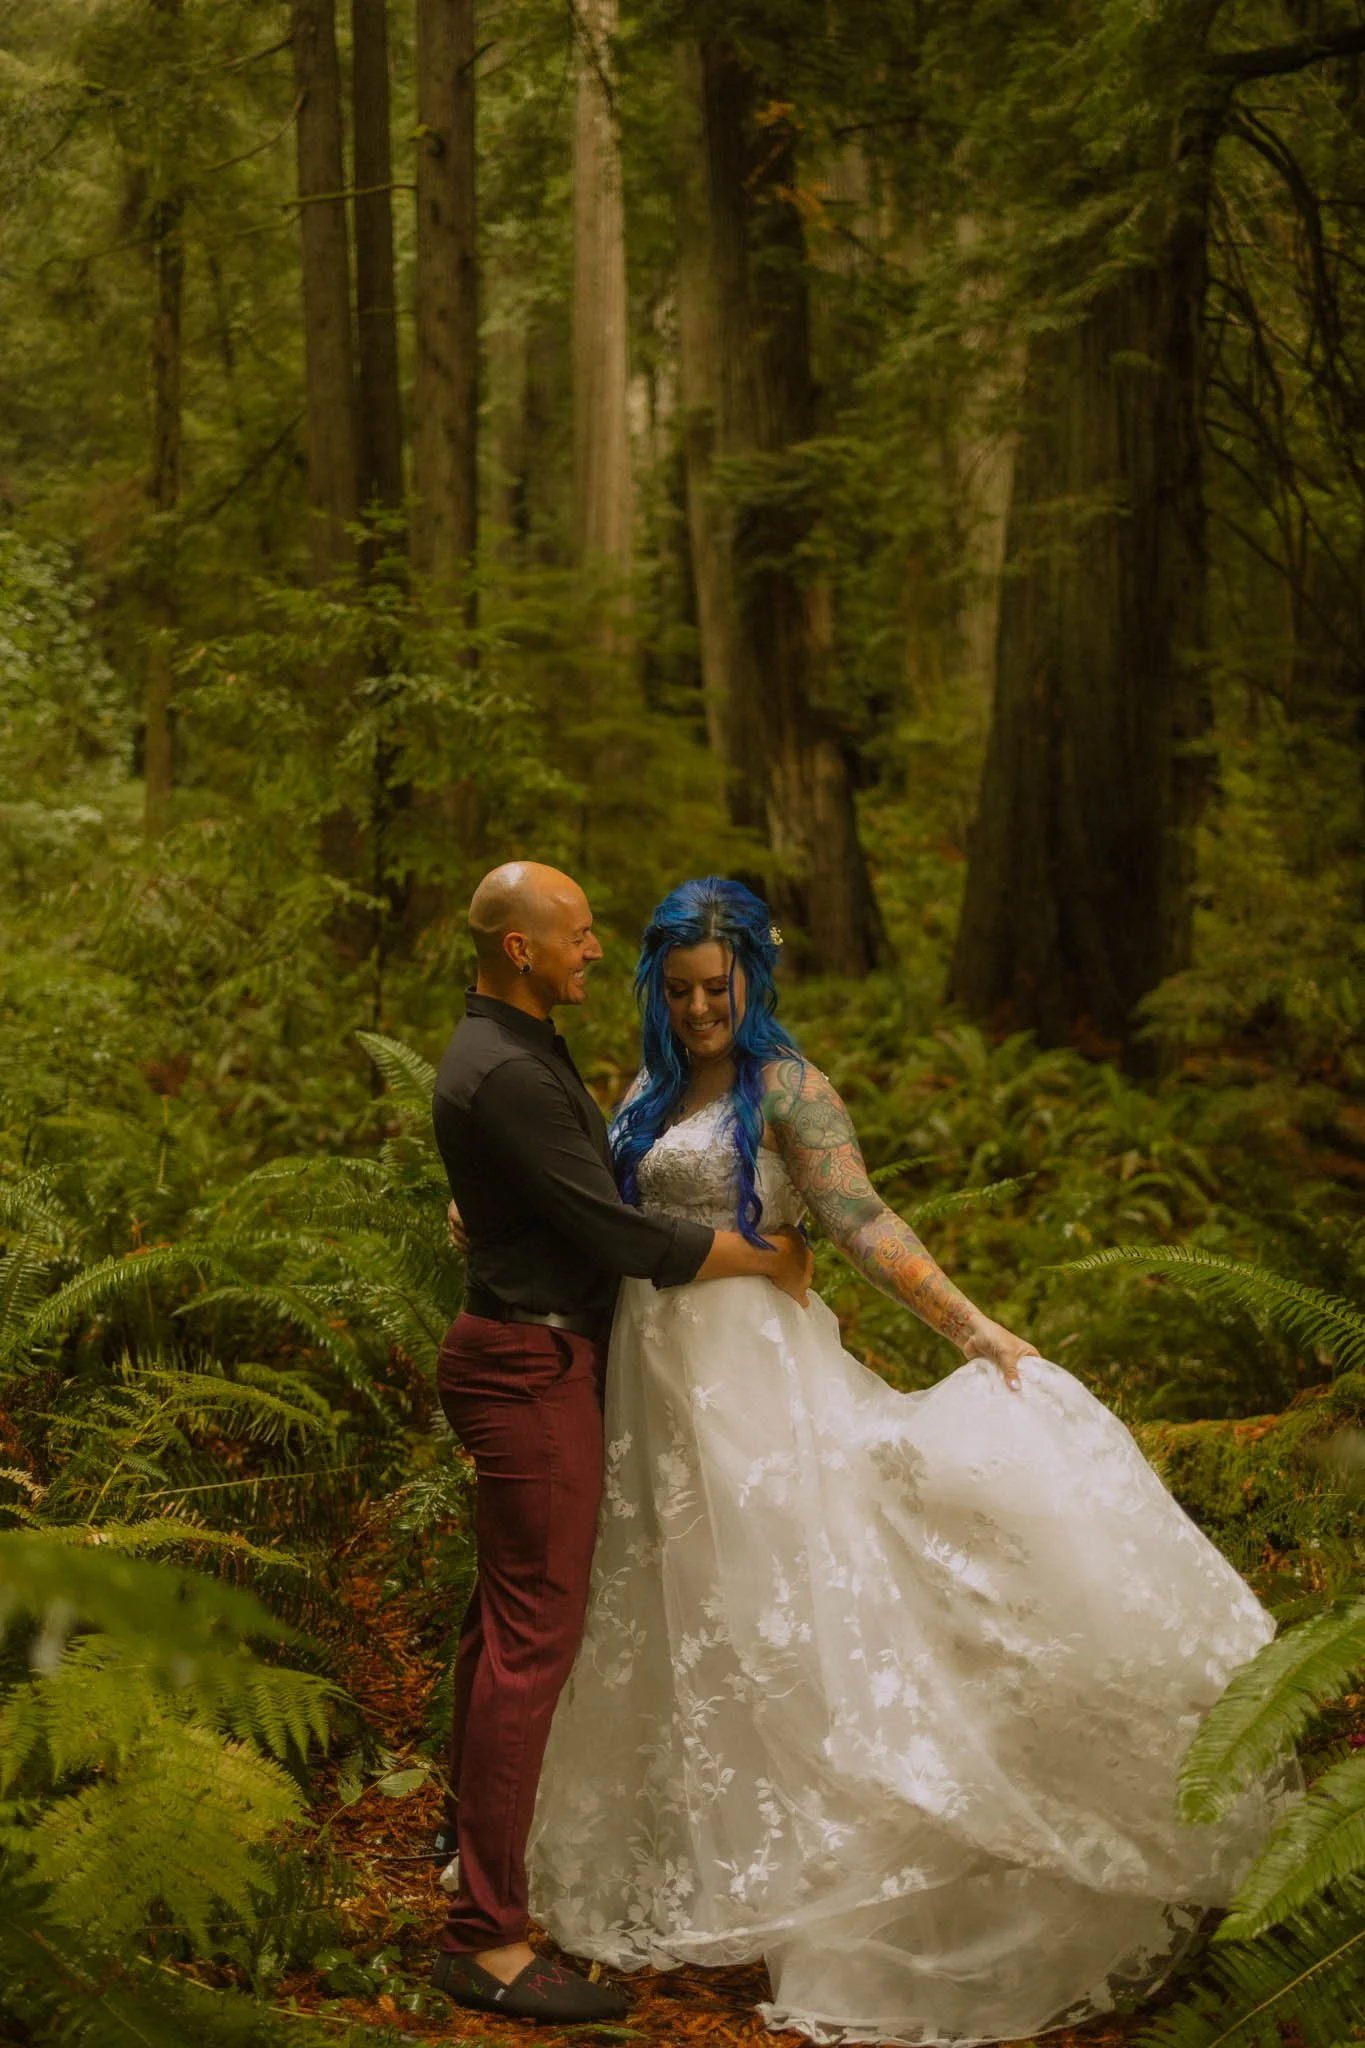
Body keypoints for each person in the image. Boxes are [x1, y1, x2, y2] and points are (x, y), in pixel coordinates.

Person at [526, 877, 1292, 2045]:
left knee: (783, 1613)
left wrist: (973, 1328)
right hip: (656, 1382)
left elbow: (863, 1218)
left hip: (754, 1380)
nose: (697, 1012)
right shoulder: (646, 1089)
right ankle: (714, 1859)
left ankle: (837, 1867)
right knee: (684, 1616)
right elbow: (607, 1220)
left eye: (716, 990)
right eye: (678, 992)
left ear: (752, 981)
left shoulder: (788, 1086)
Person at [426, 862, 813, 2025]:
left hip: (547, 1352)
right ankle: (487, 1937)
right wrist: (759, 1257)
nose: (597, 948)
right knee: (533, 1641)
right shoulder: (502, 1065)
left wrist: (488, 1204)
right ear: (517, 950)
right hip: (532, 1365)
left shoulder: (511, 1051)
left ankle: (467, 1848)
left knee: (507, 1627)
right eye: (579, 933)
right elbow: (607, 1222)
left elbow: (556, 1182)